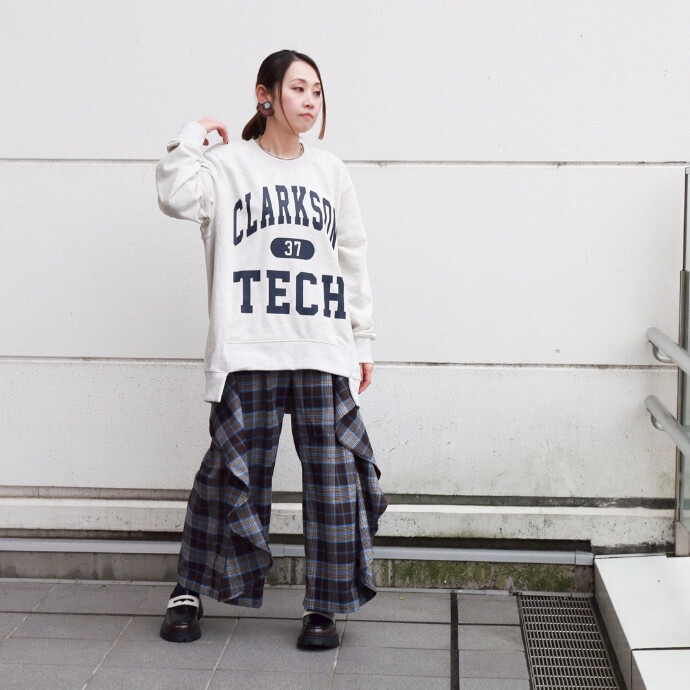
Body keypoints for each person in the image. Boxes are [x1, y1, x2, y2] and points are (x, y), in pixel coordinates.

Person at [154, 49, 387, 649]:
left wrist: (361, 339)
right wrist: (192, 136)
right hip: (249, 346)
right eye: (298, 88)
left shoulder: (331, 172)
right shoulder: (227, 167)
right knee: (228, 471)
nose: (311, 101)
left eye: (318, 91)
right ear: (265, 95)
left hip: (321, 345)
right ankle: (188, 589)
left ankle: (324, 605)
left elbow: (352, 258)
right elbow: (174, 195)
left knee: (335, 477)